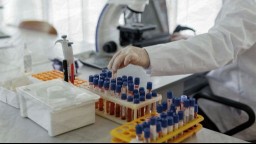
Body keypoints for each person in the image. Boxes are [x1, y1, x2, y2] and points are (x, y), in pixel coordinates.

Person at [108, 0, 256, 141]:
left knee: (162, 127)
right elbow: (236, 37)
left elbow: (221, 46)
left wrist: (147, 55)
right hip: (232, 92)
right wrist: (193, 40)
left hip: (236, 110)